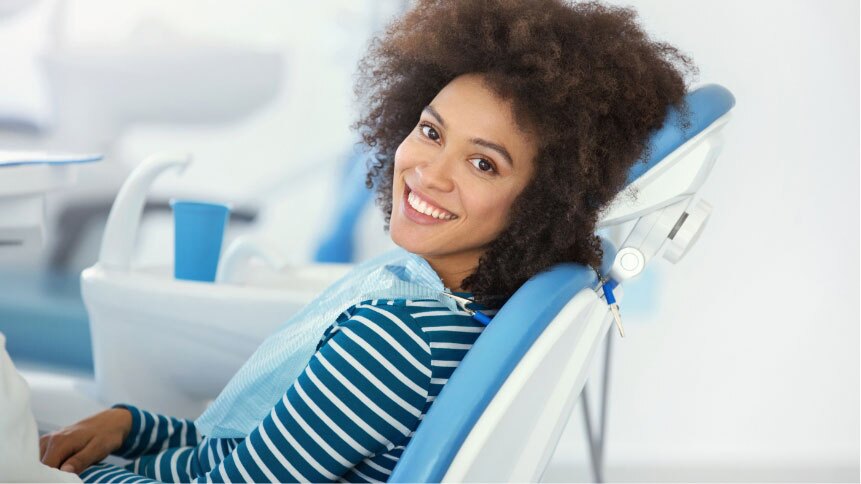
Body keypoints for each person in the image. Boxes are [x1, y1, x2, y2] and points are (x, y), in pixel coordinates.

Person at [39, 0, 696, 481]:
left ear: (542, 202)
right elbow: (251, 457)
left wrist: (54, 470)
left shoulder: (397, 340)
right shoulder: (454, 316)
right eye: (432, 132)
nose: (428, 172)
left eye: (483, 163)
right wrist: (132, 426)